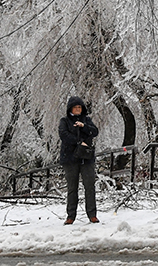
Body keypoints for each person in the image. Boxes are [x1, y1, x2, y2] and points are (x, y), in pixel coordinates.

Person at [58, 96, 99, 225]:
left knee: (89, 186)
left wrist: (84, 127)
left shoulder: (86, 120)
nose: (78, 109)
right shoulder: (64, 121)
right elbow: (64, 135)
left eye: (80, 107)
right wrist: (79, 142)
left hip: (86, 158)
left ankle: (92, 214)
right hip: (70, 158)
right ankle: (71, 215)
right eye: (75, 107)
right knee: (72, 188)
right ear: (70, 108)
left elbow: (95, 132)